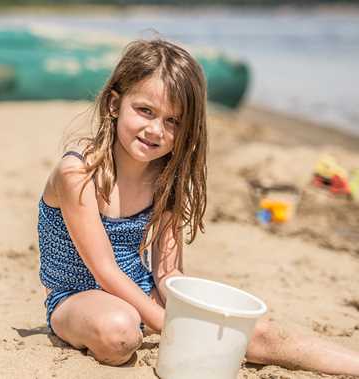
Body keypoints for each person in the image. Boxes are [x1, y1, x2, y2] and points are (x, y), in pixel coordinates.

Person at [37, 38, 359, 374]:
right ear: (115, 104)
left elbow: (167, 272)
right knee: (119, 332)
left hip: (142, 294)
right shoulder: (78, 172)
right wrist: (167, 322)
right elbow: (105, 271)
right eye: (145, 111)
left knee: (257, 333)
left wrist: (193, 313)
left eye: (172, 121)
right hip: (76, 297)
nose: (155, 130)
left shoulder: (165, 177)